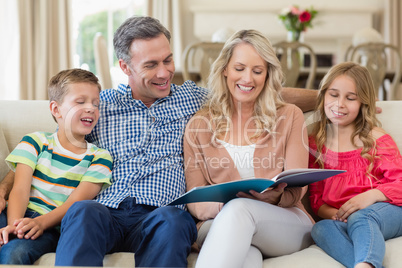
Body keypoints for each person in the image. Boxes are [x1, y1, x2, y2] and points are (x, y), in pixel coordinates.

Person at [0, 16, 318, 267]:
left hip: (159, 215)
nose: (165, 72)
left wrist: (330, 98)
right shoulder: (100, 104)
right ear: (124, 66)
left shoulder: (193, 99)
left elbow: (251, 89)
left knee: (174, 218)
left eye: (167, 60)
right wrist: (6, 183)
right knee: (83, 211)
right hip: (106, 213)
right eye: (151, 65)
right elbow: (53, 142)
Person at [183, 29, 315, 268]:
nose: (247, 79)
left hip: (285, 221)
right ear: (225, 69)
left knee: (241, 209)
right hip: (219, 221)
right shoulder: (198, 125)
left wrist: (276, 198)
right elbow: (195, 199)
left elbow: (298, 186)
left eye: (257, 71)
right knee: (247, 255)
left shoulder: (289, 116)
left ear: (267, 75)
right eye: (239, 68)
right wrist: (225, 203)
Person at [0, 69, 113, 264]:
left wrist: (38, 223)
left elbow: (74, 204)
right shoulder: (35, 141)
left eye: (96, 104)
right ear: (56, 109)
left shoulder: (100, 157)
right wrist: (15, 225)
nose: (91, 108)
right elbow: (19, 189)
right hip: (15, 212)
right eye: (80, 102)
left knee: (15, 252)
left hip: (50, 225)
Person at [308, 62, 402, 268]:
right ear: (323, 96)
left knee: (361, 217)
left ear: (363, 104)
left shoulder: (376, 138)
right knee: (320, 229)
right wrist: (336, 215)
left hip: (388, 210)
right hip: (347, 219)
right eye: (333, 95)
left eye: (350, 98)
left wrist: (372, 195)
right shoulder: (315, 145)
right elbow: (316, 199)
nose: (340, 104)